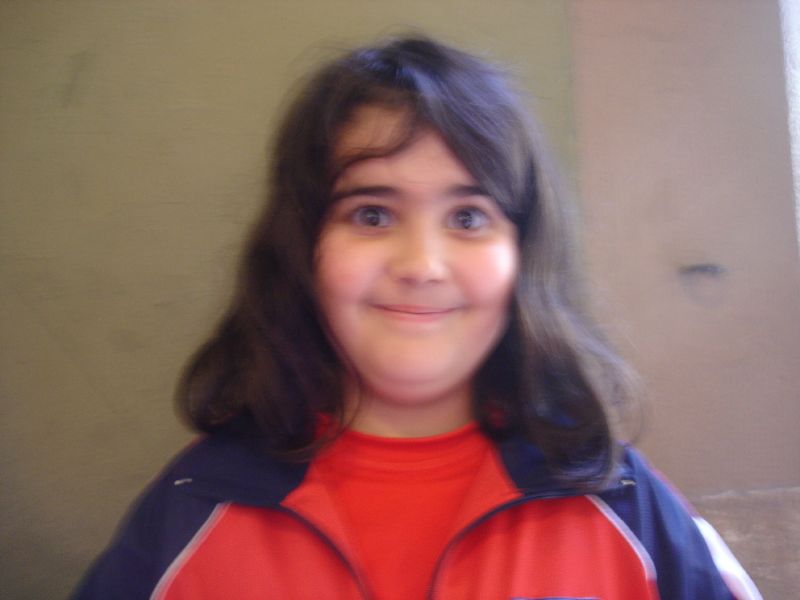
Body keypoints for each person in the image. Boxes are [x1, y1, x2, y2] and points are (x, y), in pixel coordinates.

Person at [72, 36, 761, 600]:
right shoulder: (193, 507)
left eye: (468, 217)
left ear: (522, 254)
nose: (422, 264)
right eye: (372, 214)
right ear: (303, 247)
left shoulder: (626, 503)